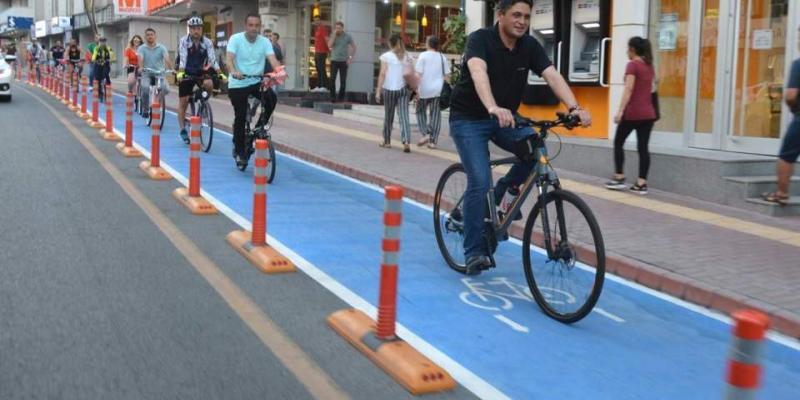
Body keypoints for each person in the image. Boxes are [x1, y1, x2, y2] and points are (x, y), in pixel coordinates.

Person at [449, 0, 591, 274]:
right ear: (500, 15)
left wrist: (574, 108)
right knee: (479, 181)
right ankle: (474, 251)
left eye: (527, 16)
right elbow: (479, 74)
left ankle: (501, 197)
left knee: (536, 148)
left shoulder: (529, 46)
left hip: (506, 118)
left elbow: (552, 75)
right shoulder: (480, 40)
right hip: (469, 119)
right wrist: (492, 107)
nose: (522, 21)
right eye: (516, 15)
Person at [226, 13, 283, 169]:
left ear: (260, 27)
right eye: (251, 25)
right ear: (246, 26)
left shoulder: (265, 42)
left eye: (257, 25)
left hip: (256, 81)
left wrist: (279, 71)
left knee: (271, 97)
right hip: (238, 83)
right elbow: (229, 59)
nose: (254, 28)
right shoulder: (235, 39)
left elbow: (272, 60)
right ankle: (239, 152)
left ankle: (258, 128)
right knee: (241, 115)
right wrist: (234, 71)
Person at [604, 37, 657, 195]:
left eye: (628, 49)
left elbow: (629, 89)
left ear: (633, 49)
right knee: (643, 148)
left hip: (633, 113)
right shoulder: (649, 66)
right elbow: (653, 88)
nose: (627, 52)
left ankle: (619, 177)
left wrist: (620, 111)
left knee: (619, 141)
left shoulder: (632, 65)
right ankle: (641, 183)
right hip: (648, 114)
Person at [763, 27, 800, 206]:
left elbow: (791, 95)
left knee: (787, 155)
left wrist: (793, 108)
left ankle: (782, 193)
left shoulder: (799, 64)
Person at [176, 16, 223, 144]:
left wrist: (220, 74)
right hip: (185, 70)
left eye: (198, 28)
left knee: (209, 83)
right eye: (193, 28)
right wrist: (180, 73)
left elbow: (213, 59)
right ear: (189, 29)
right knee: (183, 101)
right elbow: (183, 58)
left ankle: (202, 104)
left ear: (202, 29)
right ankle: (182, 130)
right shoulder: (184, 41)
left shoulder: (207, 42)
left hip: (200, 70)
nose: (196, 31)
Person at [376, 34, 413, 153]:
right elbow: (411, 73)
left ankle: (387, 141)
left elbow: (382, 74)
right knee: (404, 116)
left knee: (389, 116)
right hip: (403, 89)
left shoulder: (386, 56)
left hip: (389, 89)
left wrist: (378, 90)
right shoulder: (408, 56)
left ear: (390, 44)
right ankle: (406, 141)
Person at [415, 35, 449, 149]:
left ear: (428, 44)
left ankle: (425, 133)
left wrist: (417, 90)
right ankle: (433, 142)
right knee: (435, 115)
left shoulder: (423, 56)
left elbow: (418, 74)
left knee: (420, 111)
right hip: (437, 90)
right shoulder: (442, 57)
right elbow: (447, 76)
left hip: (424, 89)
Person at [137, 28, 173, 118]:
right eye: (148, 35)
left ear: (155, 36)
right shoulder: (141, 48)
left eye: (151, 34)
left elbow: (167, 58)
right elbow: (140, 59)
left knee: (165, 89)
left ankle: (158, 102)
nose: (150, 36)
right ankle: (145, 109)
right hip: (147, 72)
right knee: (145, 89)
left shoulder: (161, 47)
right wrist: (141, 67)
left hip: (159, 73)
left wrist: (171, 69)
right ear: (145, 37)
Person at [327, 21, 356, 102]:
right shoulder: (333, 35)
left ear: (342, 28)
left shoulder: (347, 36)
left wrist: (350, 58)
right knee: (332, 79)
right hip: (334, 60)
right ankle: (332, 97)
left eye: (339, 28)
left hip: (343, 61)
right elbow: (329, 45)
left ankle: (340, 98)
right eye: (336, 28)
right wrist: (333, 35)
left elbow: (354, 47)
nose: (337, 30)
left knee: (343, 81)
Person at [92, 37, 115, 101]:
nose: (102, 43)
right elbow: (94, 55)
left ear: (105, 42)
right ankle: (99, 93)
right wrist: (94, 59)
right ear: (99, 42)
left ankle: (108, 90)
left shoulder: (108, 48)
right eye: (101, 41)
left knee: (106, 76)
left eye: (104, 41)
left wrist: (112, 60)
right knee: (97, 78)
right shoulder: (97, 48)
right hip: (98, 65)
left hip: (106, 65)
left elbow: (112, 54)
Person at [312, 16, 330, 92]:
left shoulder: (323, 28)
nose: (316, 22)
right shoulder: (317, 29)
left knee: (322, 69)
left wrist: (329, 49)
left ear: (320, 21)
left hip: (322, 52)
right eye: (315, 20)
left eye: (318, 20)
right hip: (317, 51)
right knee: (318, 69)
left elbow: (326, 39)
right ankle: (318, 85)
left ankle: (324, 86)